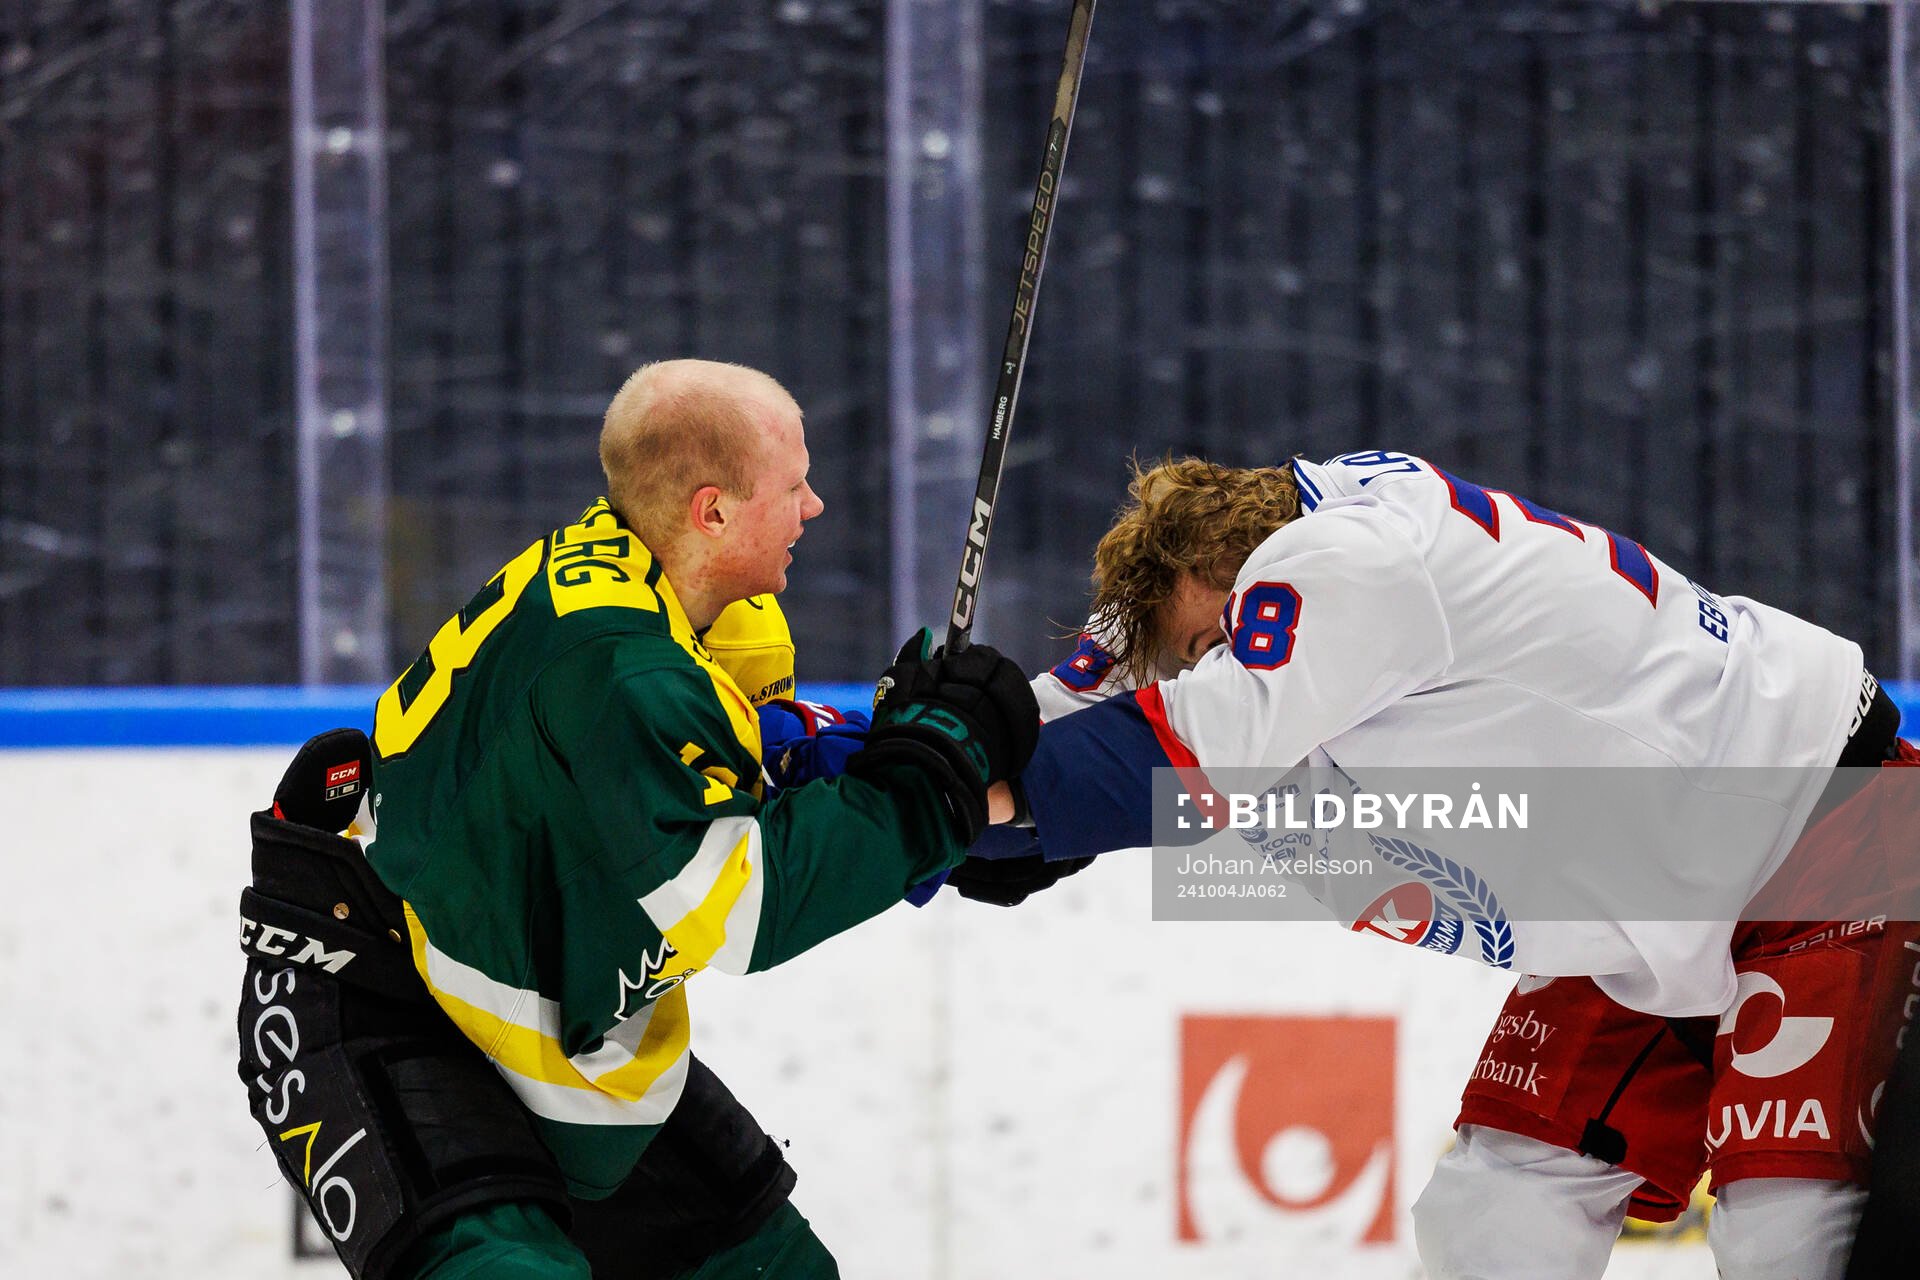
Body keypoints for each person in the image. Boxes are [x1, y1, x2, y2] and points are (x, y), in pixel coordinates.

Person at [992, 451, 1919, 1280]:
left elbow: (1172, 748)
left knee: (1794, 1239)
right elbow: (1035, 724)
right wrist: (903, 770)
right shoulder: (1281, 623)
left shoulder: (1345, 563)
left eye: (1211, 650)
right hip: (1655, 918)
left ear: (1244, 575)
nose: (1217, 673)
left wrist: (989, 800)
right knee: (1494, 1221)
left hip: (1823, 825)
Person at [237, 358, 1039, 1280]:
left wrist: (953, 809)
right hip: (380, 987)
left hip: (538, 1005)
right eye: (794, 485)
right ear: (713, 513)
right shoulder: (624, 667)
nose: (814, 506)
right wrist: (925, 794)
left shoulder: (681, 602)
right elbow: (739, 909)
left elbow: (759, 773)